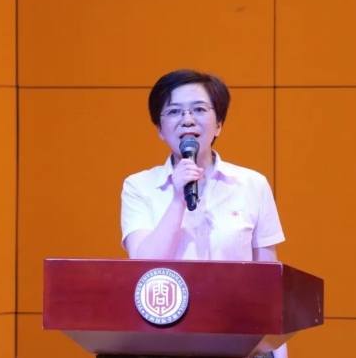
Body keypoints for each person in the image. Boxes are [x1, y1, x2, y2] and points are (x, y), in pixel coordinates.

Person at [119, 69, 288, 358]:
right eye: (174, 111)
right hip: (164, 343)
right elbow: (144, 267)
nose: (187, 120)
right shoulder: (139, 186)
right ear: (159, 129)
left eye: (199, 109)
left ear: (218, 124)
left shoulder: (252, 184)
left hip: (237, 342)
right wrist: (177, 199)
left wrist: (277, 352)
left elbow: (268, 283)